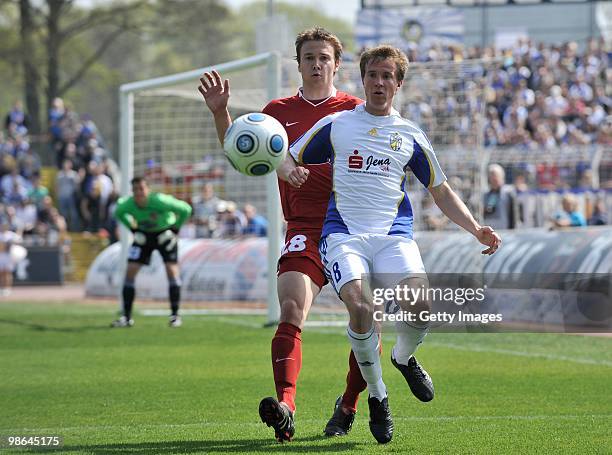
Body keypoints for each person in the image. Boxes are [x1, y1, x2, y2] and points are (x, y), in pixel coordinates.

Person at [198, 28, 418, 442]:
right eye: (309, 57)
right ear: (298, 64)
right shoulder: (275, 111)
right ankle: (285, 406)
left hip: (353, 229)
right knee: (292, 309)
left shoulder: (356, 110)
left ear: (336, 65)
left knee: (366, 314)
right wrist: (220, 113)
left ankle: (350, 404)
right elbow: (243, 151)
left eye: (324, 58)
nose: (317, 64)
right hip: (303, 227)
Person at [282, 45, 501, 443]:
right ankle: (378, 397)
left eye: (387, 76)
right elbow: (289, 155)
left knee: (421, 305)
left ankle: (403, 357)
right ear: (363, 80)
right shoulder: (338, 124)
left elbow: (441, 190)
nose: (379, 82)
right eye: (372, 75)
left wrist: (475, 229)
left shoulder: (410, 134)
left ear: (398, 84)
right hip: (343, 235)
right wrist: (289, 170)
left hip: (393, 237)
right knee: (362, 307)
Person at [111, 176, 192, 328]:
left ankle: (175, 316)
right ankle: (126, 317)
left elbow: (186, 210)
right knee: (130, 271)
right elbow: (119, 213)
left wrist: (174, 229)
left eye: (141, 188)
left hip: (164, 235)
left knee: (172, 270)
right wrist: (133, 229)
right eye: (135, 189)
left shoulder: (160, 200)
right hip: (144, 236)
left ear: (148, 189)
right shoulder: (128, 204)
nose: (139, 192)